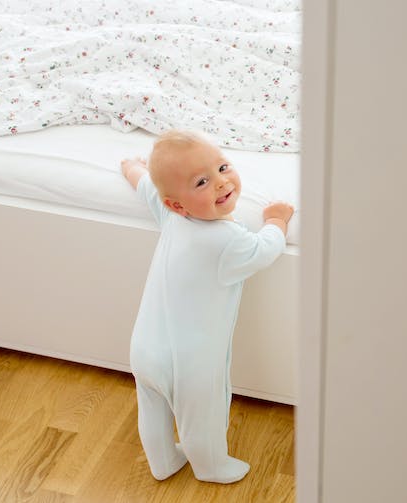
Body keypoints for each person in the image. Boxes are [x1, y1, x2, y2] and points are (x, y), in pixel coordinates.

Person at [120, 129, 294, 483]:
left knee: (152, 411)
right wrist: (277, 220)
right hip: (192, 363)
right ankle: (212, 467)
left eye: (223, 167)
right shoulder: (228, 241)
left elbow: (148, 189)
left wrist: (131, 168)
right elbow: (265, 249)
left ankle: (163, 461)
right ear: (179, 204)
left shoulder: (172, 217)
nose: (220, 183)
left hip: (145, 349)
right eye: (202, 182)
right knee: (203, 417)